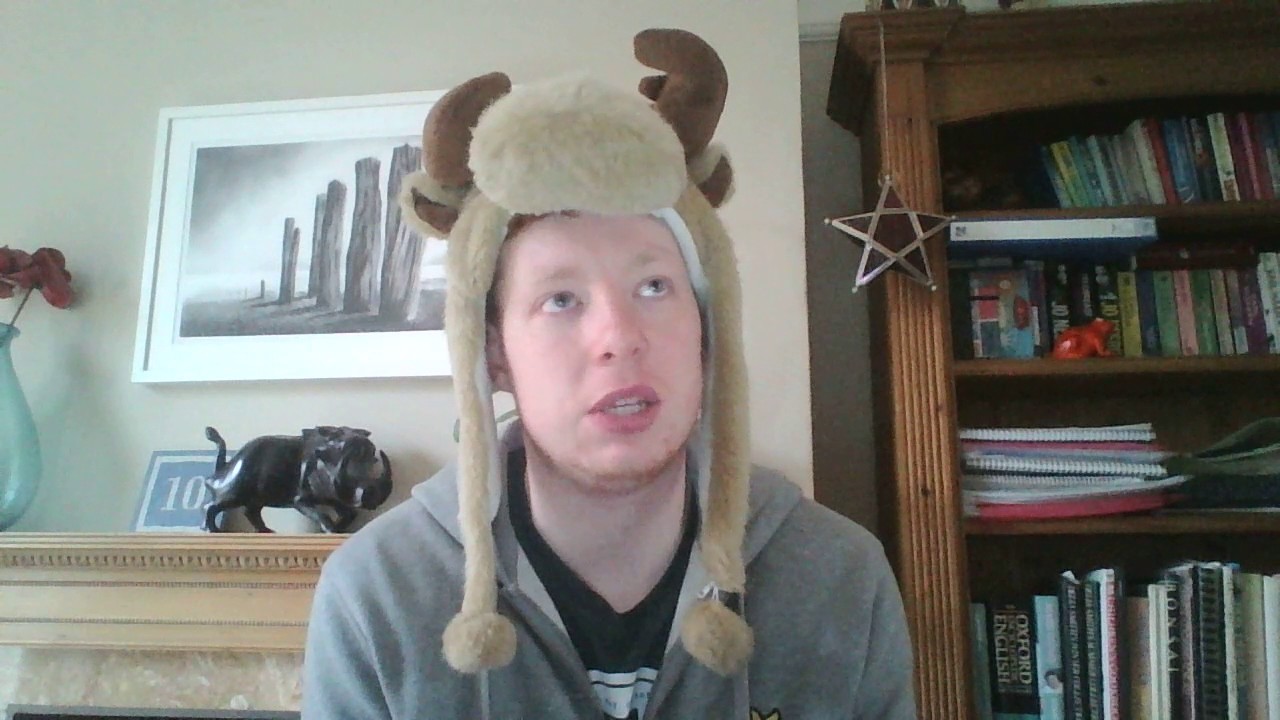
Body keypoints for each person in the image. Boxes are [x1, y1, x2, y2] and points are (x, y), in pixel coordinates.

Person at [301, 28, 916, 720]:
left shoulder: (841, 580)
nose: (620, 338)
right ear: (494, 355)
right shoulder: (376, 595)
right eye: (561, 300)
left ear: (706, 330)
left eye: (654, 287)